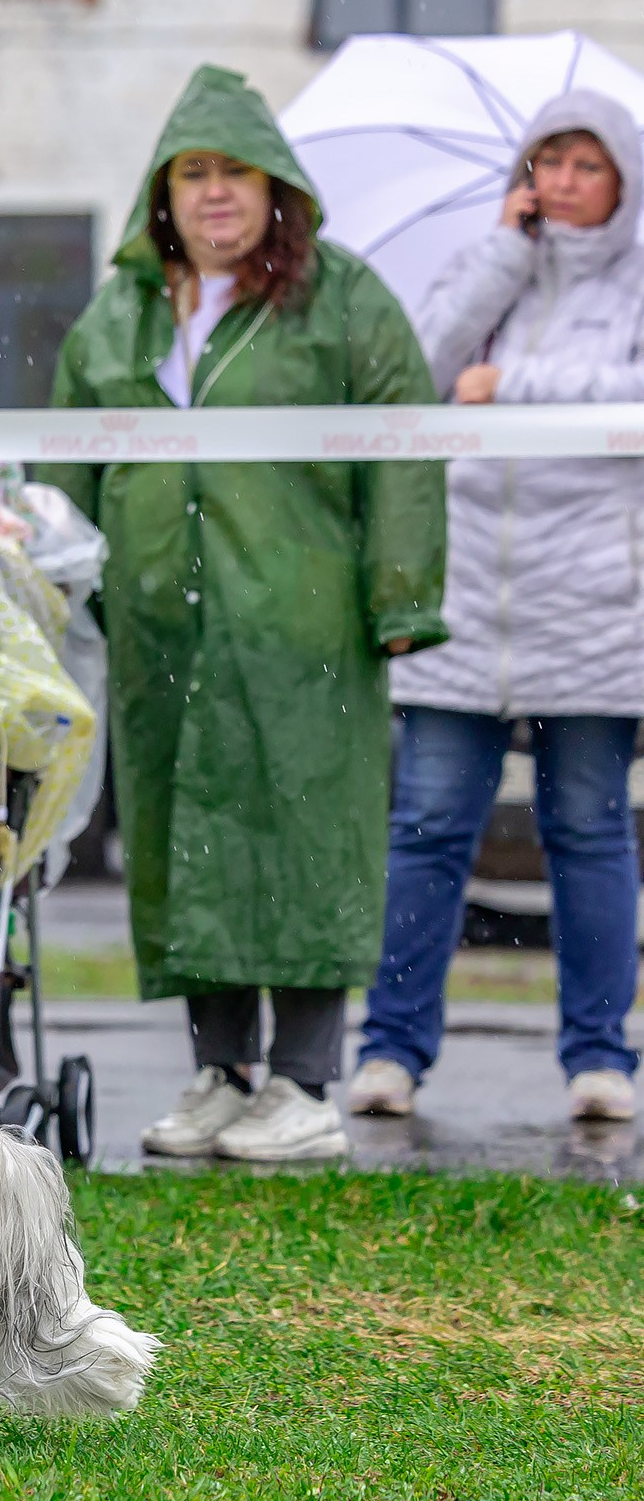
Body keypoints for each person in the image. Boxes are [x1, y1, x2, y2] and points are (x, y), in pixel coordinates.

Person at [38, 64, 449, 1163]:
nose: (216, 194)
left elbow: (406, 444)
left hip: (301, 620)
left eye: (238, 174)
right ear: (162, 194)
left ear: (279, 190)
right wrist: (48, 577)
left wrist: (401, 595)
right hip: (158, 625)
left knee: (305, 831)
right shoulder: (120, 312)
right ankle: (220, 1074)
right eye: (194, 174)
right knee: (186, 836)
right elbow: (67, 456)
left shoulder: (341, 299)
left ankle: (305, 1083)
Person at [353, 90, 644, 1125]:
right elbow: (416, 374)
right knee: (428, 826)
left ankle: (602, 1056)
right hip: (465, 589)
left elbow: (625, 393)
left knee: (591, 829)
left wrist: (507, 385)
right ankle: (388, 1049)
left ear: (622, 180)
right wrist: (500, 264)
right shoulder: (489, 270)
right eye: (545, 163)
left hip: (594, 600)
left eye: (584, 165)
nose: (560, 184)